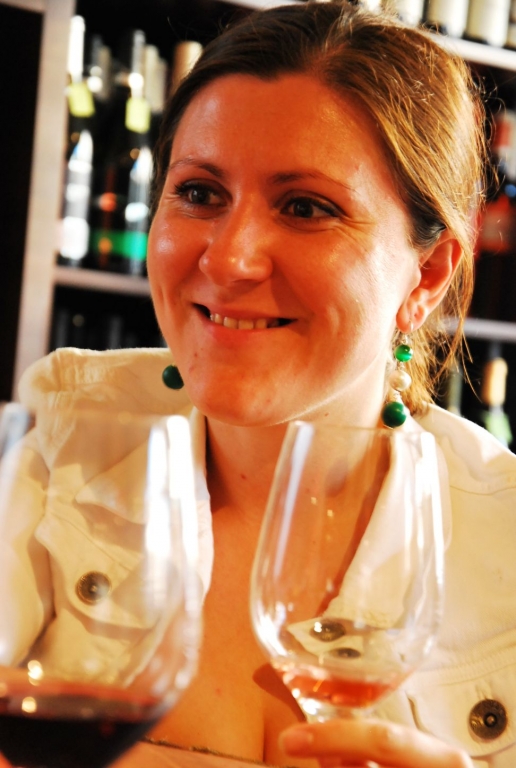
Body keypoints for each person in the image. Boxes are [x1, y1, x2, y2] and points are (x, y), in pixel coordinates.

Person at [2, 1, 516, 767]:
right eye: (200, 193)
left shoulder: (504, 536)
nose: (230, 257)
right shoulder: (62, 438)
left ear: (427, 275)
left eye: (306, 207)